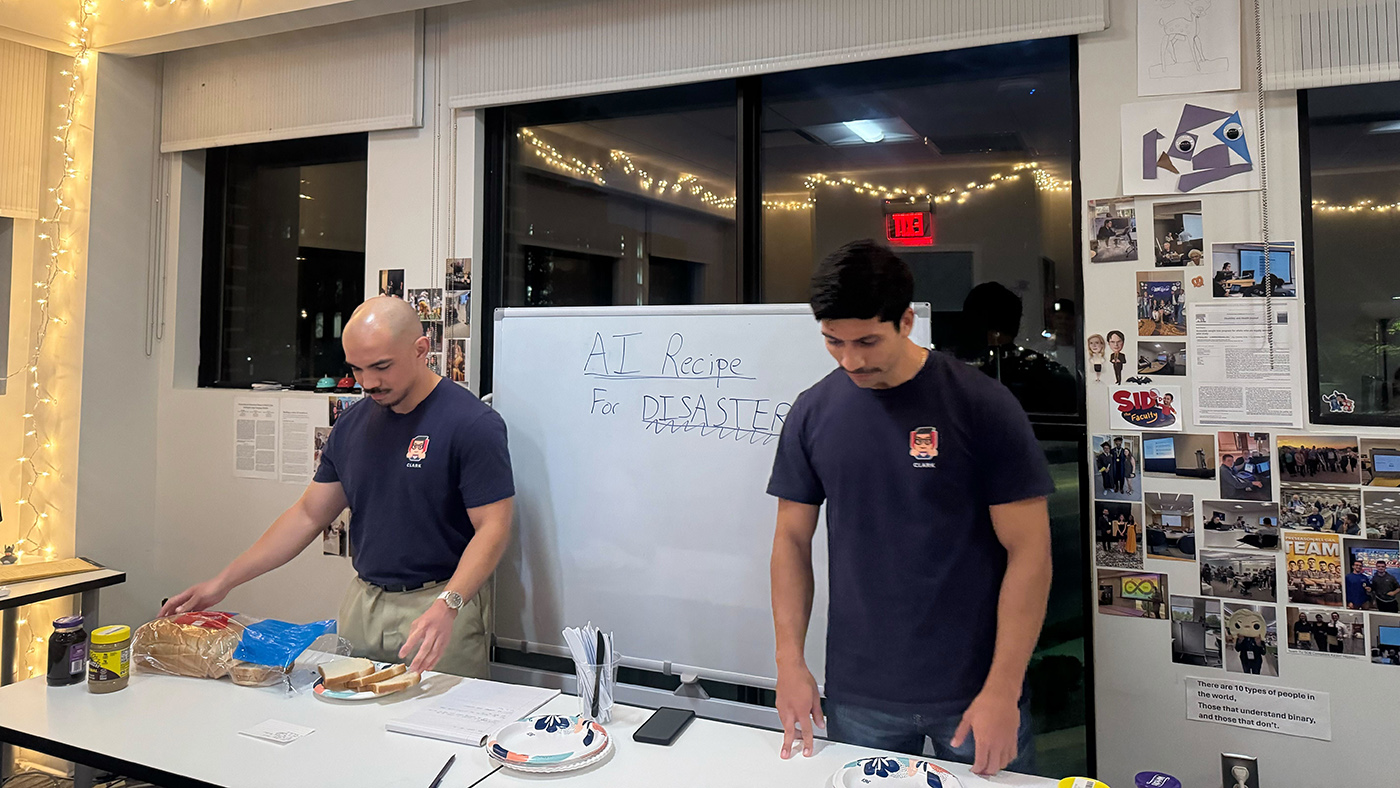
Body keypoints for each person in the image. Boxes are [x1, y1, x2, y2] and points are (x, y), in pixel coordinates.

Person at [768, 241, 1053, 777]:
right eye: (833, 341)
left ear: (906, 321)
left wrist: (1004, 688)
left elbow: (1030, 550)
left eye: (867, 341)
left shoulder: (981, 405)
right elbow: (790, 540)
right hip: (860, 691)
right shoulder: (813, 412)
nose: (850, 359)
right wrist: (790, 661)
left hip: (976, 691)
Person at [161, 297, 515, 678]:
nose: (368, 383)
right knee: (350, 725)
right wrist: (223, 582)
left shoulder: (472, 423)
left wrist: (450, 604)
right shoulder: (351, 426)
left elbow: (493, 527)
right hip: (364, 603)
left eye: (381, 367)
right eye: (357, 369)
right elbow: (308, 515)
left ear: (421, 349)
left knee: (437, 731)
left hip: (441, 602)